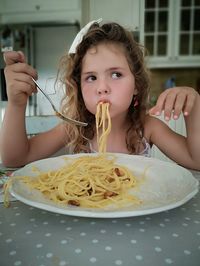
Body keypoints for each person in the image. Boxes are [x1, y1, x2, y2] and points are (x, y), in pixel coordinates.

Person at [0, 19, 200, 170]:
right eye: (91, 77)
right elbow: (15, 159)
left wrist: (195, 105)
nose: (102, 87)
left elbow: (195, 159)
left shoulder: (147, 128)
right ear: (79, 87)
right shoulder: (75, 128)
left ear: (137, 84)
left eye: (116, 74)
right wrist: (17, 105)